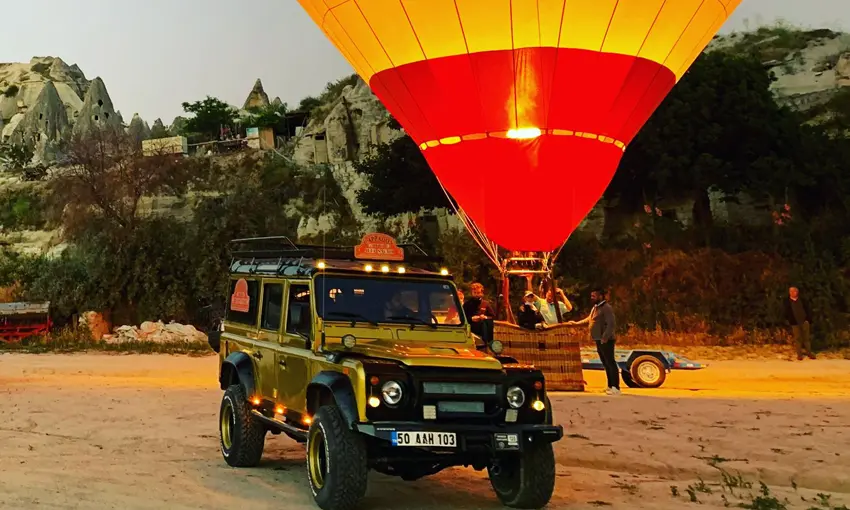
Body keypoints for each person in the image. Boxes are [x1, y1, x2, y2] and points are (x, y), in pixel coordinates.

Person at [567, 288, 619, 395]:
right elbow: (589, 320)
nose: (592, 298)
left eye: (594, 296)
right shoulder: (595, 308)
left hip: (606, 340)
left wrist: (605, 337)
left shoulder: (606, 308)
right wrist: (576, 324)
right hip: (598, 339)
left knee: (610, 363)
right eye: (591, 296)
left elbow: (611, 324)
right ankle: (610, 386)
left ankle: (616, 387)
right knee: (605, 363)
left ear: (600, 296)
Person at [785, 286, 815, 360]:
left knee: (806, 338)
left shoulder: (802, 300)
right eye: (790, 291)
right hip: (794, 323)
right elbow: (786, 313)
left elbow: (807, 309)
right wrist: (789, 321)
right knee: (798, 339)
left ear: (797, 292)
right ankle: (799, 355)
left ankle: (809, 353)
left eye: (794, 291)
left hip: (804, 322)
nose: (792, 293)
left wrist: (808, 319)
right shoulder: (787, 302)